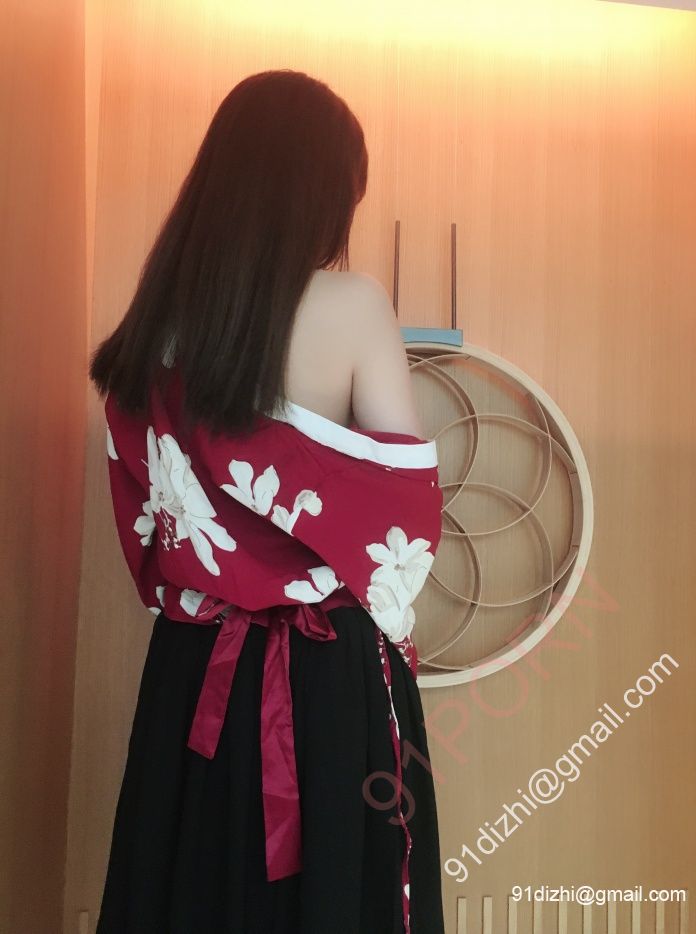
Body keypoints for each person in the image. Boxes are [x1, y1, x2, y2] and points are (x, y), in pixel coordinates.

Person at [89, 68, 446, 934]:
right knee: (334, 893)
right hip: (326, 671)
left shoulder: (159, 319)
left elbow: (148, 511)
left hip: (192, 666)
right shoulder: (354, 303)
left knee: (187, 879)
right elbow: (402, 504)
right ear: (323, 191)